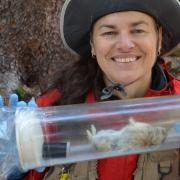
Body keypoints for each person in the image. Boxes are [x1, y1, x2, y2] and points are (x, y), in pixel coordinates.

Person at [24, 0, 180, 179]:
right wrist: (13, 164)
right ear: (92, 44)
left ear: (158, 38)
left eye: (138, 30)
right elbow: (33, 166)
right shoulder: (52, 110)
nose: (125, 44)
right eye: (109, 32)